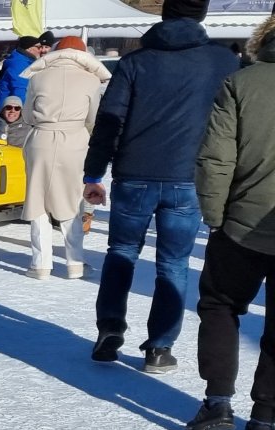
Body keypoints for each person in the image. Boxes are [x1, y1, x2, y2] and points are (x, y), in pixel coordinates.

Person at [82, 0, 241, 371]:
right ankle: (159, 347)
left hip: (134, 173)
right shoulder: (223, 62)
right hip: (188, 176)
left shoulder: (136, 62)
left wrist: (93, 174)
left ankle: (109, 328)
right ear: (202, 15)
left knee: (121, 252)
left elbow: (110, 120)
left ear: (164, 14)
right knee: (174, 264)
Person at [189, 14, 275, 430]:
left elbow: (217, 156)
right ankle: (264, 421)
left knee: (220, 304)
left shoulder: (242, 82)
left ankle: (218, 401)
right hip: (249, 219)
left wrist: (214, 213)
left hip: (241, 220)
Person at [20, 37, 109, 280]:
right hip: (75, 141)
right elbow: (92, 119)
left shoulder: (38, 76)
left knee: (38, 201)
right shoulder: (91, 80)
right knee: (72, 200)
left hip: (41, 139)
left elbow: (27, 114)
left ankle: (40, 265)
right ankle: (75, 263)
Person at [0, 36, 44, 113]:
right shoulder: (20, 64)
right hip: (10, 112)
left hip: (9, 110)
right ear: (29, 49)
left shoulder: (24, 61)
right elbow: (19, 90)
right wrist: (23, 112)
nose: (41, 50)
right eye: (39, 47)